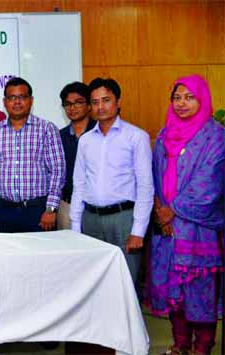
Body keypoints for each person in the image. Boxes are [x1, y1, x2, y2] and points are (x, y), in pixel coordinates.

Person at [147, 74, 225, 355]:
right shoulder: (165, 134)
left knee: (199, 291)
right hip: (167, 228)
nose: (181, 103)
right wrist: (160, 210)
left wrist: (173, 211)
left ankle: (202, 348)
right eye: (177, 97)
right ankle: (180, 344)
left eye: (189, 97)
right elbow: (155, 178)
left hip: (198, 230)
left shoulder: (215, 135)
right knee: (173, 292)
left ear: (202, 99)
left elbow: (209, 183)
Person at [70, 77, 153, 283]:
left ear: (118, 102)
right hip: (91, 220)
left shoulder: (136, 137)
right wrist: (75, 226)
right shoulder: (86, 141)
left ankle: (126, 317)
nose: (101, 107)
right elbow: (79, 184)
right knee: (94, 281)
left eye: (106, 100)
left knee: (125, 281)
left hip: (124, 219)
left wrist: (138, 231)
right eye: (95, 102)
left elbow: (145, 186)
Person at [0, 77, 65, 233]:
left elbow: (58, 170)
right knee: (5, 256)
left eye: (22, 97)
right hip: (3, 211)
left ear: (31, 100)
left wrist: (51, 209)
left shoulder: (47, 129)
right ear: (5, 102)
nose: (17, 102)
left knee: (41, 257)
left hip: (39, 211)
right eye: (12, 98)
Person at [57, 82, 96, 230]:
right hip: (67, 205)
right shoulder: (58, 136)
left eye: (78, 103)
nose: (72, 108)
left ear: (89, 105)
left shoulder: (100, 132)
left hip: (94, 207)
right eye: (67, 104)